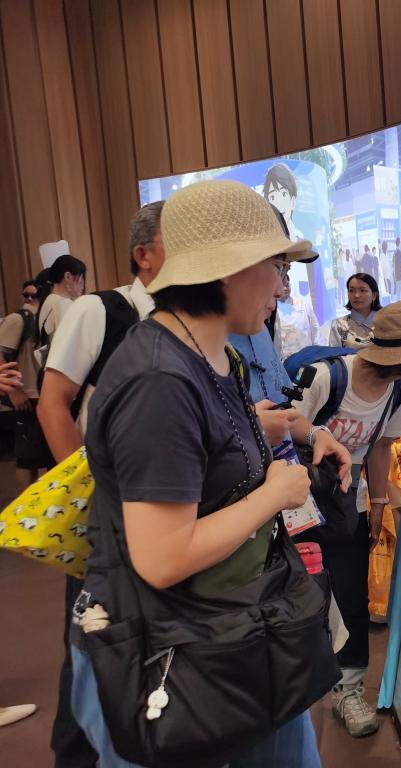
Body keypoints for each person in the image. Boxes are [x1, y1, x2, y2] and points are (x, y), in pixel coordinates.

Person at [70, 179, 338, 766]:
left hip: (233, 634)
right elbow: (163, 557)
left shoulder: (214, 353)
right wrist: (275, 493)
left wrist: (280, 431)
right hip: (181, 658)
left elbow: (210, 442)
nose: (282, 287)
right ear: (229, 271)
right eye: (276, 267)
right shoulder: (159, 379)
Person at [293, 300, 401, 738]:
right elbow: (285, 431)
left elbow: (382, 447)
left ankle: (348, 691)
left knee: (351, 594)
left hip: (349, 502)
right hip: (298, 502)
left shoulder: (400, 393)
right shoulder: (327, 378)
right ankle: (293, 697)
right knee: (302, 596)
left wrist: (380, 504)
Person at [38, 206, 163, 768]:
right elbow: (53, 405)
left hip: (161, 512)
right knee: (92, 641)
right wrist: (91, 496)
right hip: (106, 514)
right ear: (143, 254)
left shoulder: (188, 320)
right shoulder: (99, 310)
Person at [0, 278, 45, 490]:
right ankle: (25, 504)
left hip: (42, 395)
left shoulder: (44, 316)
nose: (29, 299)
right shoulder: (18, 319)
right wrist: (15, 391)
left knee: (41, 456)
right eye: (25, 295)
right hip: (27, 396)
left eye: (33, 295)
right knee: (27, 458)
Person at [37, 254, 87, 350]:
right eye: (81, 277)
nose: (83, 284)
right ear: (67, 276)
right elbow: (73, 345)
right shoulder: (63, 303)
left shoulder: (49, 299)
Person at [275, 269, 320, 359]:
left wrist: (319, 352)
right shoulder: (272, 309)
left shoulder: (303, 304)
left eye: (287, 285)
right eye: (282, 286)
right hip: (285, 359)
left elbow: (315, 328)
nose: (285, 288)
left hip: (308, 356)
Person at [329, 273, 380, 349]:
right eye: (351, 290)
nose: (356, 295)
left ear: (374, 295)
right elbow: (334, 354)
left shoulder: (386, 323)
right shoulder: (339, 325)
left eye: (362, 290)